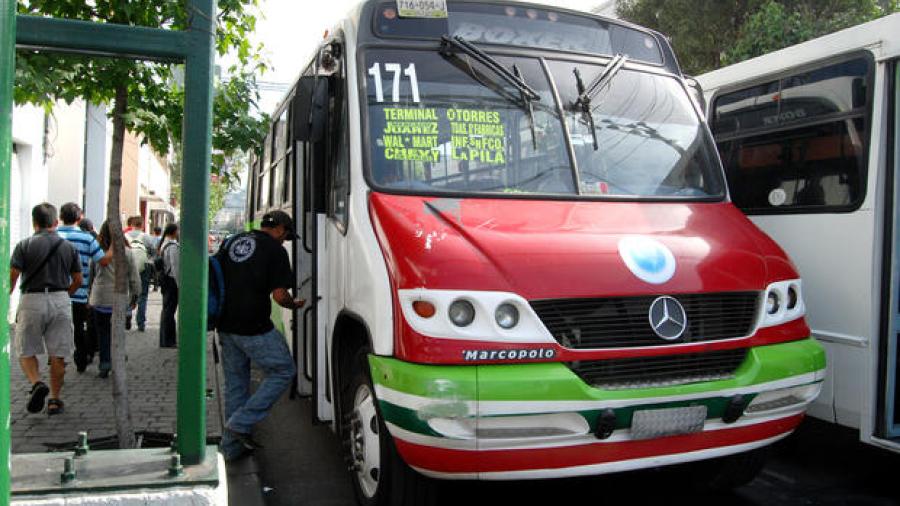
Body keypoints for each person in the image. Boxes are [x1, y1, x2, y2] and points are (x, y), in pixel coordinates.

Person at [217, 210, 304, 461]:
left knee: (235, 386)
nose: (284, 240)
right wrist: (294, 304)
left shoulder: (233, 241)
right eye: (286, 235)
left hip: (225, 325)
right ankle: (240, 423)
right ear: (279, 229)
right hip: (253, 326)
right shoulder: (275, 251)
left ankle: (231, 449)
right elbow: (279, 295)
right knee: (284, 370)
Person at [9, 203, 82, 416]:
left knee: (26, 349)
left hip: (32, 299)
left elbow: (13, 276)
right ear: (55, 222)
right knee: (59, 353)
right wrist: (64, 295)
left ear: (34, 222)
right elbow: (78, 279)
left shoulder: (24, 245)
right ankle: (54, 400)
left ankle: (36, 382)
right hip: (60, 298)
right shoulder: (68, 247)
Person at [57, 203, 111, 372]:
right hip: (79, 292)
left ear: (60, 217)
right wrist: (114, 247)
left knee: (57, 328)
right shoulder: (87, 238)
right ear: (79, 218)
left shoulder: (54, 236)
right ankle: (80, 359)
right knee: (79, 327)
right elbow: (103, 261)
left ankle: (56, 359)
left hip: (56, 292)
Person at [89, 221, 141, 378]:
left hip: (99, 297)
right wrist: (135, 296)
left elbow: (91, 275)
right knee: (117, 332)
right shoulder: (126, 252)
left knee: (103, 332)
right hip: (118, 299)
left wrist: (89, 295)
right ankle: (117, 361)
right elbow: (134, 277)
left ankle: (104, 362)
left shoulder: (97, 251)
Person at [124, 216, 154, 331]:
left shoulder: (125, 236)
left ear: (131, 224)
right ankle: (141, 323)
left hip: (127, 266)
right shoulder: (146, 237)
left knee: (127, 291)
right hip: (144, 267)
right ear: (142, 225)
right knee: (143, 295)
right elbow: (153, 252)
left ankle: (127, 314)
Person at [158, 223, 180, 348]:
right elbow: (175, 267)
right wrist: (179, 284)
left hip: (166, 281)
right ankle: (169, 341)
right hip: (171, 281)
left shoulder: (163, 244)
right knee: (169, 312)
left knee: (166, 310)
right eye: (178, 231)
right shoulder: (172, 247)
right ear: (173, 232)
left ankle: (164, 340)